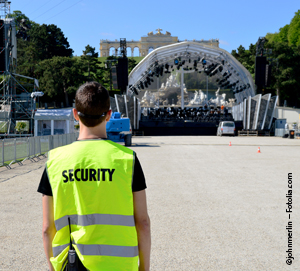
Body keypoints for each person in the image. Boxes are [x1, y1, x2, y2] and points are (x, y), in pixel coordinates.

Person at [37, 82, 151, 271]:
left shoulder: (55, 161)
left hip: (73, 264)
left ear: (75, 114)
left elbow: (47, 228)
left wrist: (52, 267)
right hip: (120, 265)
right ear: (108, 115)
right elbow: (143, 223)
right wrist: (144, 268)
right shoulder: (127, 160)